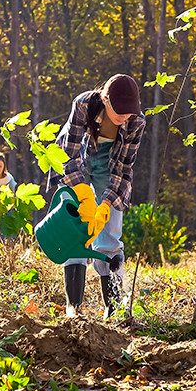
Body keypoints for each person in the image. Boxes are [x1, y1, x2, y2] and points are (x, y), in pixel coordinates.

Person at [48, 74, 145, 318]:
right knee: (76, 230)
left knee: (110, 234)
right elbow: (66, 156)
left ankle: (113, 308)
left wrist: (105, 203)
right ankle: (74, 307)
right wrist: (83, 194)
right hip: (78, 159)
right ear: (105, 99)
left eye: (129, 112)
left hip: (109, 166)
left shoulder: (136, 122)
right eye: (119, 110)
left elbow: (124, 169)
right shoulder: (83, 105)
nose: (124, 116)